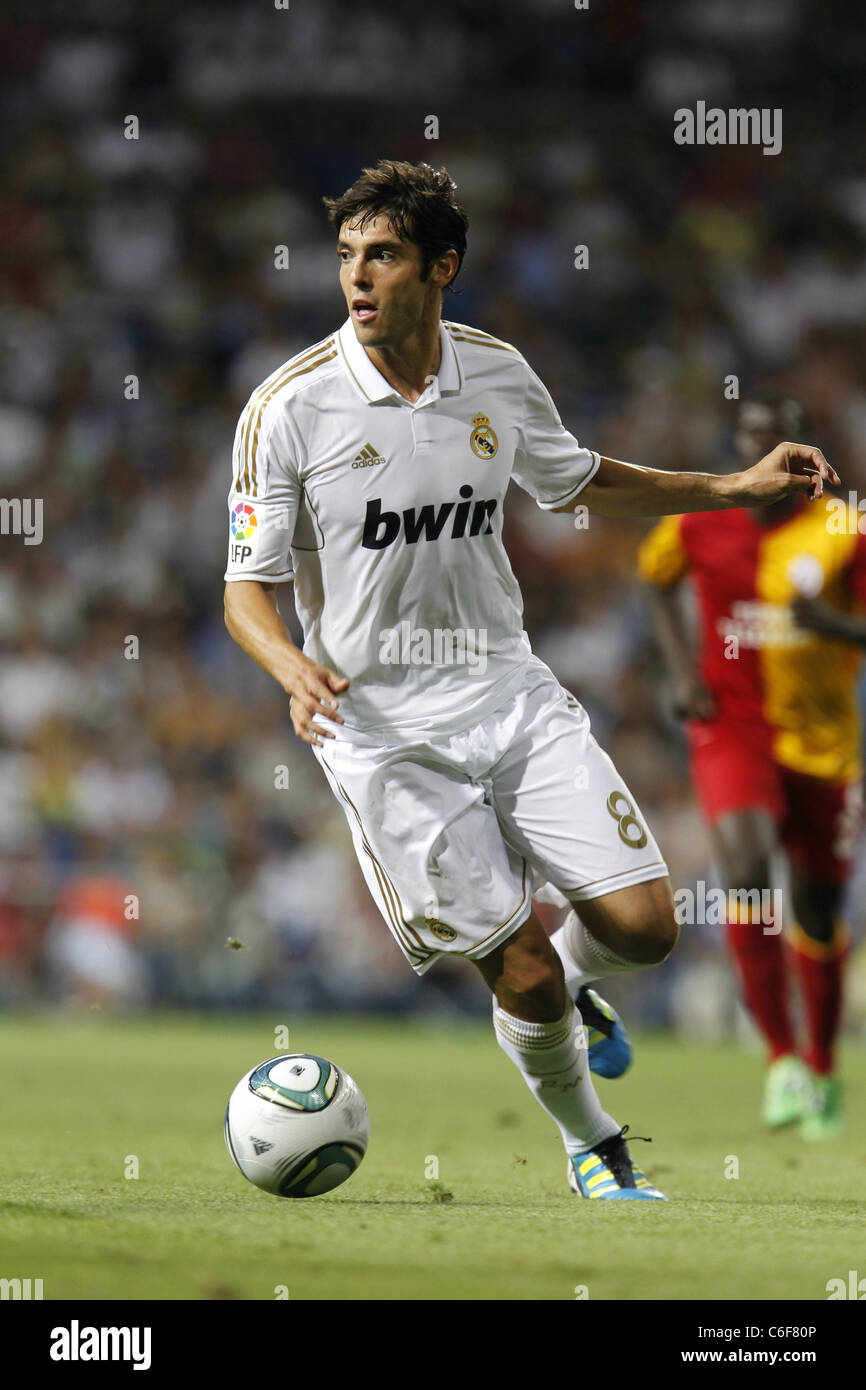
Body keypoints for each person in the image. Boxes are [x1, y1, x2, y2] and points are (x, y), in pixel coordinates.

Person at [223, 161, 836, 1198]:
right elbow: (245, 586)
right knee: (523, 971)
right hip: (380, 734)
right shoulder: (289, 408)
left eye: (382, 256)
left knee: (644, 928)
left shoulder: (496, 374)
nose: (356, 280)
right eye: (345, 258)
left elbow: (581, 479)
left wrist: (729, 487)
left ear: (440, 267)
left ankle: (584, 995)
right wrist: (289, 664)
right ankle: (593, 1147)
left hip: (507, 692)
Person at [638, 390, 861, 1139]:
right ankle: (780, 1060)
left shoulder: (843, 525)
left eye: (775, 441)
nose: (757, 452)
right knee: (742, 867)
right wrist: (681, 673)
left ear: (805, 459)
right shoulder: (702, 516)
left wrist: (827, 624)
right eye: (746, 438)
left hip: (825, 745)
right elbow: (654, 580)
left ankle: (822, 1067)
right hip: (732, 729)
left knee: (819, 910)